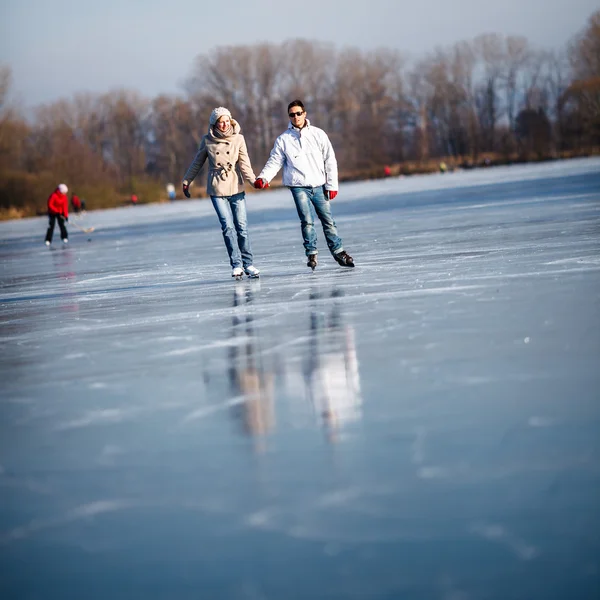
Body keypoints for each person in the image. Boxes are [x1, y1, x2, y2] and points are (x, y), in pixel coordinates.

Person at [254, 99, 354, 270]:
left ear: (305, 114)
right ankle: (312, 253)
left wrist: (332, 185)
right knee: (307, 221)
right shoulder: (283, 140)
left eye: (298, 113)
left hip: (319, 184)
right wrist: (264, 178)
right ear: (289, 117)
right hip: (298, 185)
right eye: (292, 114)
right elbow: (275, 161)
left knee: (328, 220)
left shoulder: (318, 134)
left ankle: (338, 251)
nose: (296, 117)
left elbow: (330, 160)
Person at [182, 107, 260, 279]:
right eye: (220, 121)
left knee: (242, 227)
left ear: (230, 121)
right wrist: (187, 181)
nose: (224, 124)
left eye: (226, 121)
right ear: (214, 123)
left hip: (235, 186)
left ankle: (248, 264)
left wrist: (254, 181)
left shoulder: (239, 139)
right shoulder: (207, 140)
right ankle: (236, 265)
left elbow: (245, 164)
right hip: (217, 188)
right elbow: (197, 163)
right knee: (227, 227)